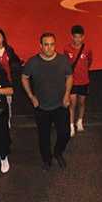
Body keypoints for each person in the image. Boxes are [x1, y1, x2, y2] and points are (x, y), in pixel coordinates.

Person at [21, 33, 73, 169]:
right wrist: (31, 96)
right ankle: (47, 160)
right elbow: (24, 77)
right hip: (41, 107)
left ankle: (58, 152)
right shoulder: (33, 62)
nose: (49, 48)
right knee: (44, 138)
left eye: (52, 44)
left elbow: (69, 76)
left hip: (60, 105)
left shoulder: (63, 60)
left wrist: (67, 94)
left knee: (65, 133)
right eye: (46, 44)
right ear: (40, 46)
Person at [64, 24, 93, 135]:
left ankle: (79, 121)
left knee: (81, 102)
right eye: (75, 37)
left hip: (84, 81)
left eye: (79, 37)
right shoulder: (67, 49)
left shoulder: (87, 49)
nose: (77, 39)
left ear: (83, 37)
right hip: (72, 81)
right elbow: (65, 64)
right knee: (72, 103)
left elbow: (90, 61)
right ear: (72, 37)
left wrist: (84, 71)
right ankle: (71, 125)